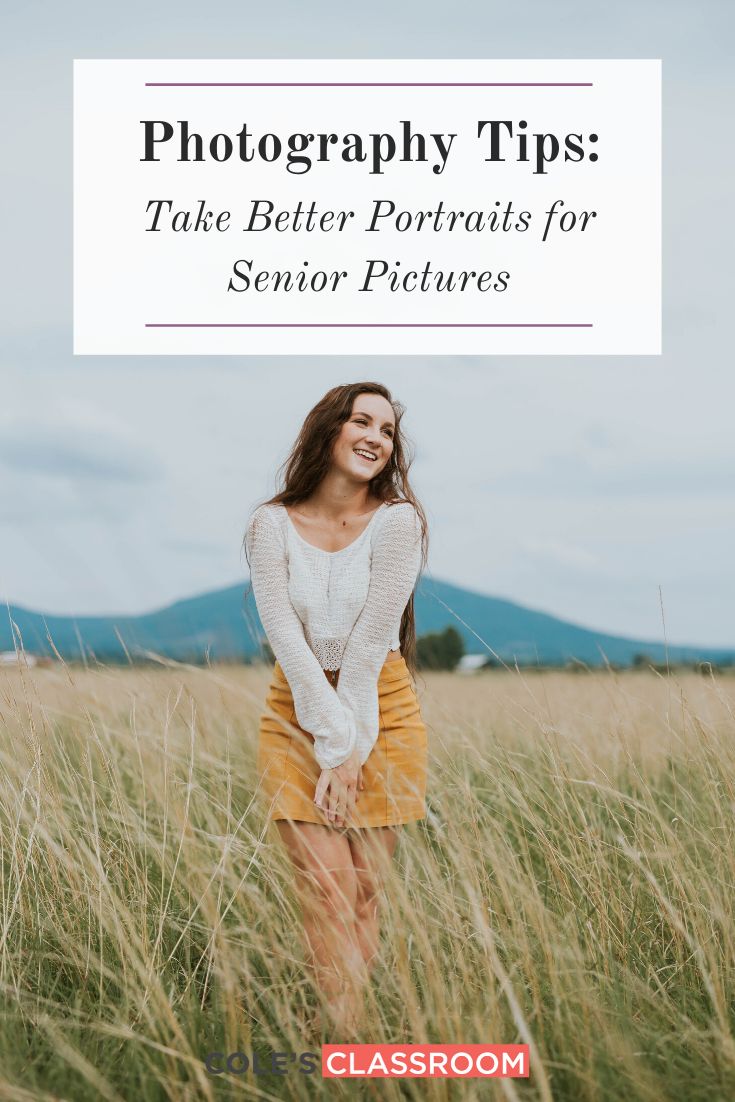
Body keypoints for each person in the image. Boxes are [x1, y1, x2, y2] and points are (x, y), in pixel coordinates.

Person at [243, 381, 429, 1038]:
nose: (375, 436)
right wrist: (329, 743)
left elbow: (372, 639)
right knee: (326, 889)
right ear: (327, 429)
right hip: (295, 709)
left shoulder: (398, 521)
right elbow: (286, 640)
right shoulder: (270, 524)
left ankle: (339, 1035)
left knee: (366, 891)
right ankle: (342, 1043)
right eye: (361, 420)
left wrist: (349, 753)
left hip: (383, 704)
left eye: (387, 430)